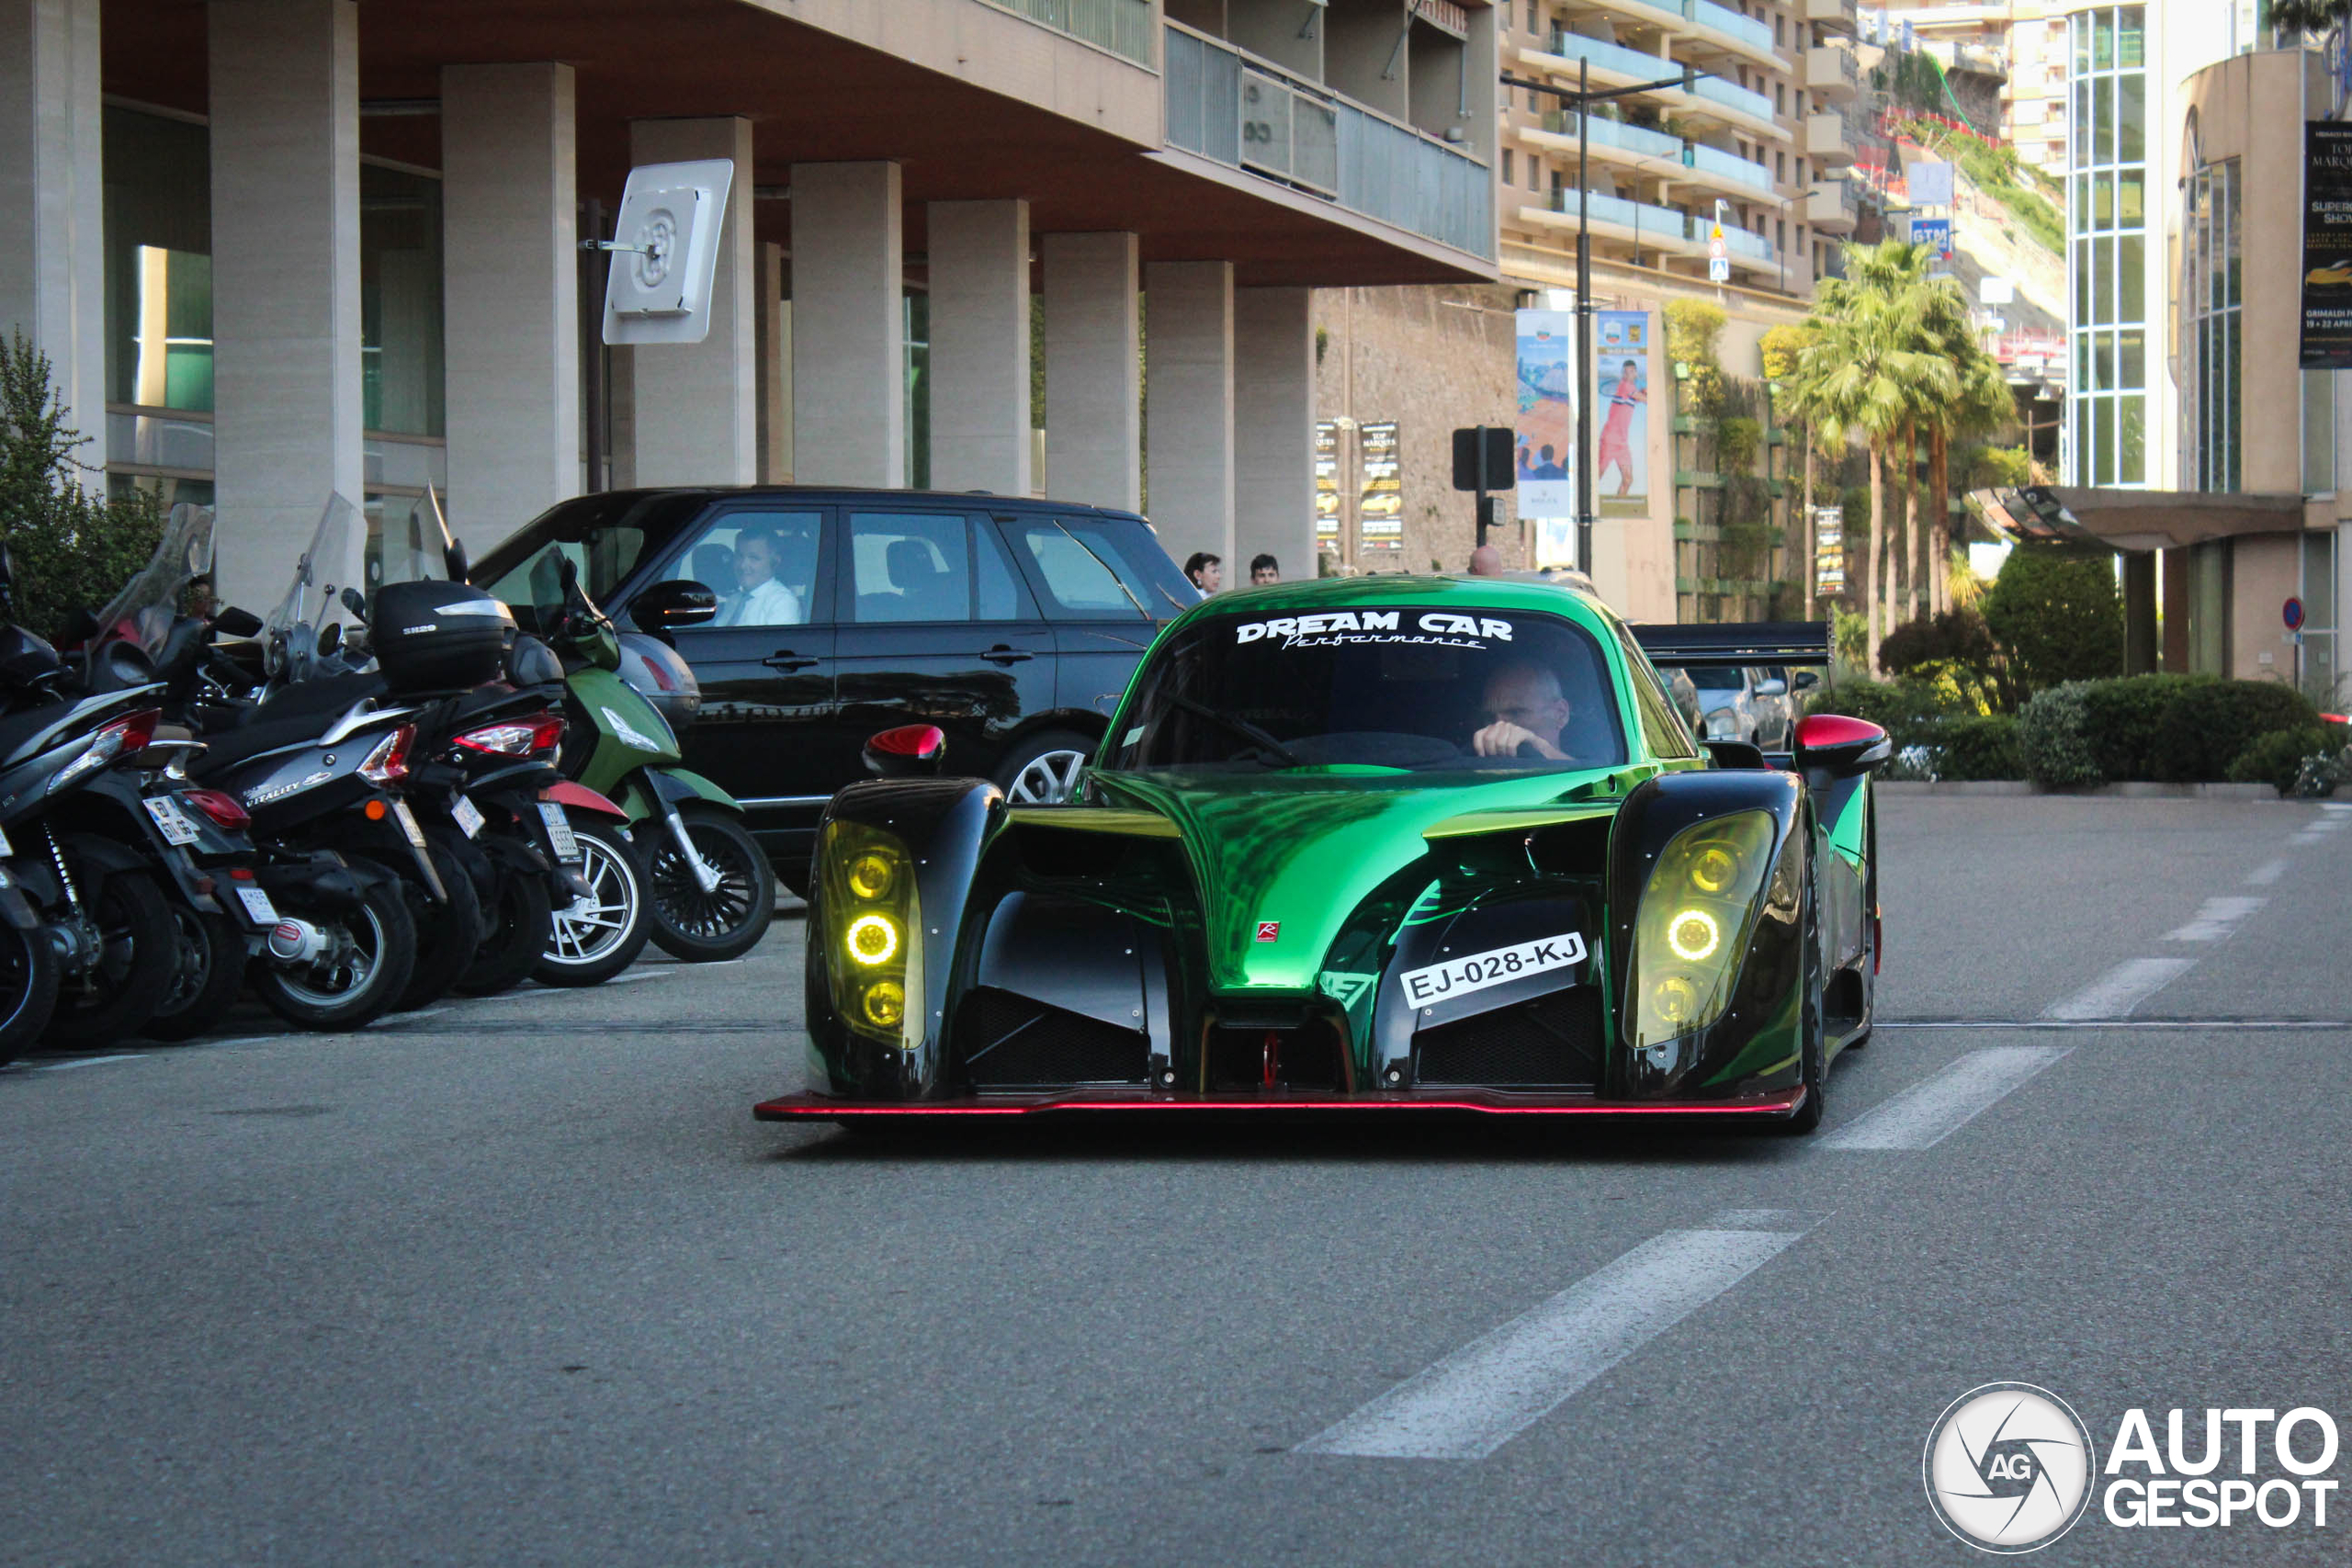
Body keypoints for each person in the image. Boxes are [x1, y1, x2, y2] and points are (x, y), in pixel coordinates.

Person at [1472, 660, 1574, 761]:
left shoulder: (1586, 769)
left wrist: (1541, 748)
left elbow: (1576, 774)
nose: (1499, 726)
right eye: (1489, 717)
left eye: (1515, 713)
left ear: (1561, 715)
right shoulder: (1470, 763)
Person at [716, 527, 802, 626]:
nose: (743, 565)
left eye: (754, 558)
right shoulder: (734, 600)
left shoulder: (782, 603)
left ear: (775, 562)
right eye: (739, 556)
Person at [1597, 356, 1645, 497]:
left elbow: (1635, 399)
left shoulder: (1631, 390)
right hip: (1610, 440)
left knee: (1628, 479)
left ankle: (1618, 504)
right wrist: (1648, 393)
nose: (1626, 375)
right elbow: (1645, 400)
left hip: (1622, 444)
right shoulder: (1625, 386)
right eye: (1624, 372)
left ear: (1635, 373)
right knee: (1596, 477)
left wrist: (1643, 391)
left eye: (1630, 372)